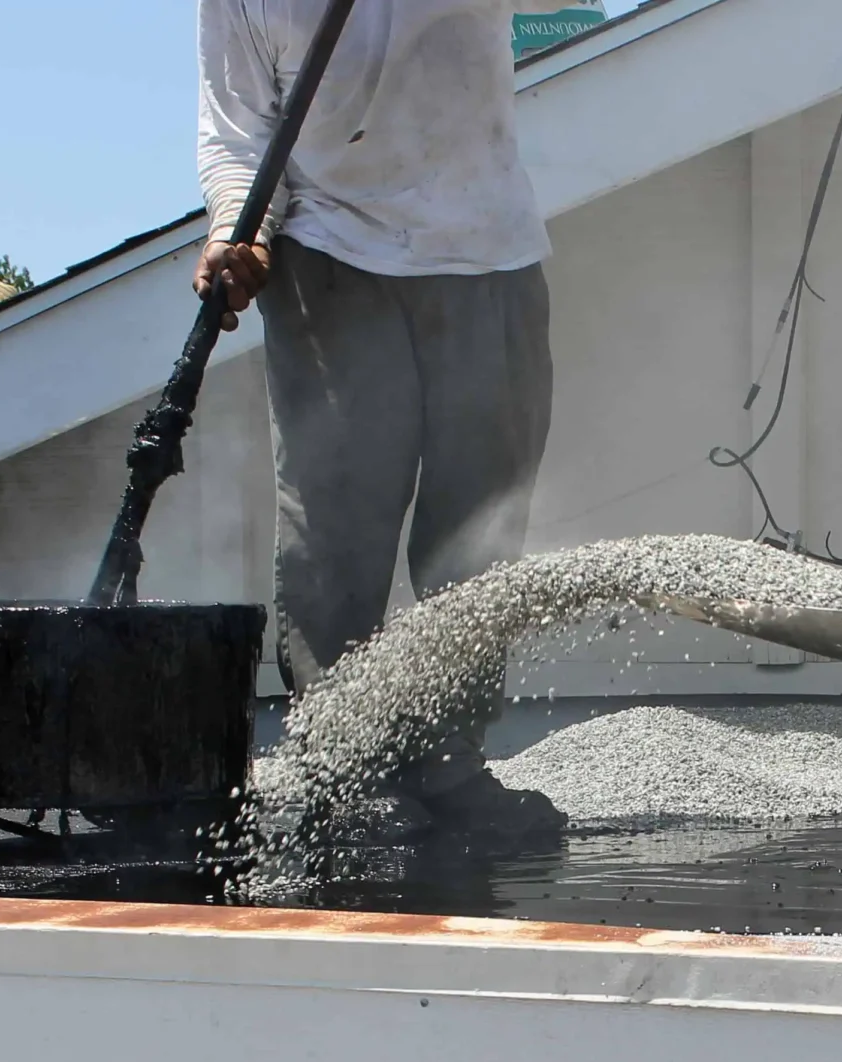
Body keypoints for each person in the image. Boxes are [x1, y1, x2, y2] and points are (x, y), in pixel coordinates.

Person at [196, 0, 565, 850]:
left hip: (487, 250)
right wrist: (238, 229)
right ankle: (343, 768)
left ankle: (448, 761)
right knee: (335, 521)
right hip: (331, 251)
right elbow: (238, 129)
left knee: (479, 524)